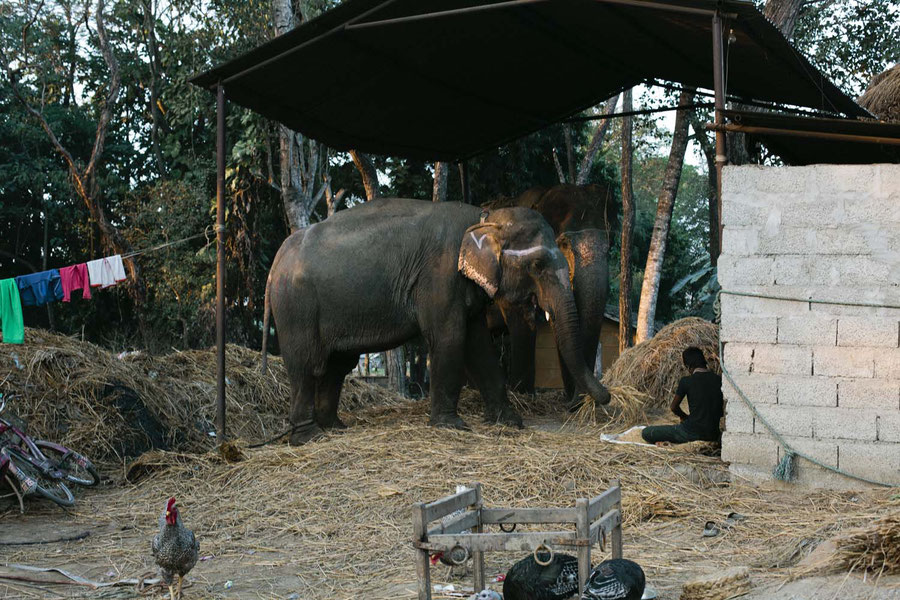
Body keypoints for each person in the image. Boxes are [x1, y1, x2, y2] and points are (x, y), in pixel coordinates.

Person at [641, 347, 723, 445]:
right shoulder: (719, 380)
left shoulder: (686, 381)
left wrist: (684, 417)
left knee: (647, 432)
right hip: (713, 434)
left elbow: (673, 407)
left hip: (691, 433)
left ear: (688, 366)